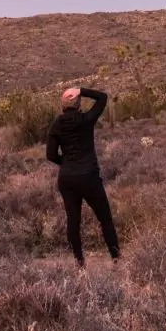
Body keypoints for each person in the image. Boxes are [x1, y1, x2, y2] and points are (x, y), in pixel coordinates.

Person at [45, 85, 120, 268]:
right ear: (79, 105)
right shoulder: (86, 119)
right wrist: (81, 90)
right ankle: (116, 258)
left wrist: (67, 163)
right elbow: (103, 97)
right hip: (88, 177)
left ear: (62, 106)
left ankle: (79, 262)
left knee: (73, 221)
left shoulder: (56, 124)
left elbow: (50, 155)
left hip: (67, 179)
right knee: (105, 218)